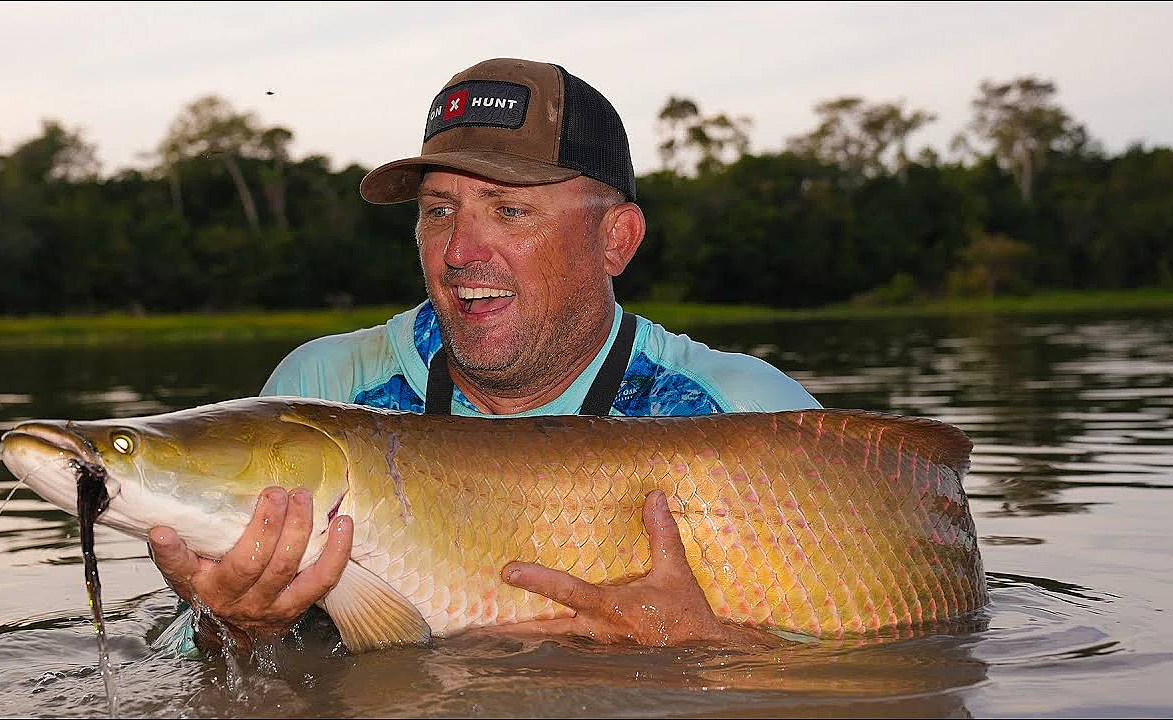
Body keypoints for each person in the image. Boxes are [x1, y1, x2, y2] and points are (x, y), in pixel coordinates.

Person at [147, 57, 821, 657]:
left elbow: (901, 662)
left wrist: (714, 654)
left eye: (509, 211)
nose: (460, 251)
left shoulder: (744, 414)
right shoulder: (323, 395)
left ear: (616, 239)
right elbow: (181, 654)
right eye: (439, 210)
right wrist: (231, 627)